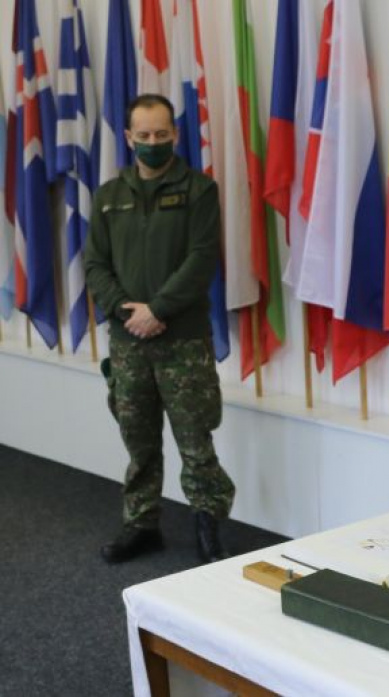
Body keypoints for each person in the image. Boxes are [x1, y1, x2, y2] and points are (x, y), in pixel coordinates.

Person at [85, 94, 234, 564]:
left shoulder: (199, 191)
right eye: (144, 135)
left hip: (182, 341)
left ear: (175, 134)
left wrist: (158, 310)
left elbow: (201, 260)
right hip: (128, 341)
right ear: (129, 137)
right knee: (138, 439)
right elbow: (95, 264)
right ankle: (141, 523)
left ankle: (207, 525)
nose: (153, 142)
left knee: (195, 440)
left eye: (162, 134)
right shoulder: (108, 197)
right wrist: (124, 310)